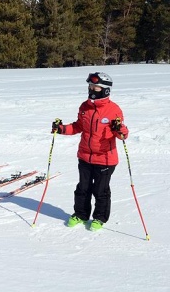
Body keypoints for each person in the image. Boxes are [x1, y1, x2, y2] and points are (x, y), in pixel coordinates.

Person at [51, 72, 129, 231]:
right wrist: (61, 129)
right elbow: (78, 126)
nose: (92, 89)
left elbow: (123, 134)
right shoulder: (84, 106)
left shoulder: (113, 109)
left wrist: (119, 129)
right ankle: (80, 214)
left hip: (105, 159)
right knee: (83, 188)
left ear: (105, 90)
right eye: (90, 86)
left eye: (96, 87)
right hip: (85, 156)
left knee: (100, 190)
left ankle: (99, 218)